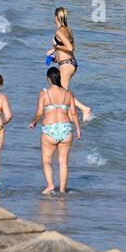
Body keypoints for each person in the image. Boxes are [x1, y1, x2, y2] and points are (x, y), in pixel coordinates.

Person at [29, 67, 81, 195]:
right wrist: (78, 130)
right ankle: (62, 190)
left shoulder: (44, 93)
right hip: (66, 129)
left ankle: (50, 185)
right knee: (63, 162)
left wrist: (33, 122)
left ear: (48, 79)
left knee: (46, 161)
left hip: (50, 130)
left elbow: (40, 112)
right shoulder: (68, 93)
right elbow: (73, 114)